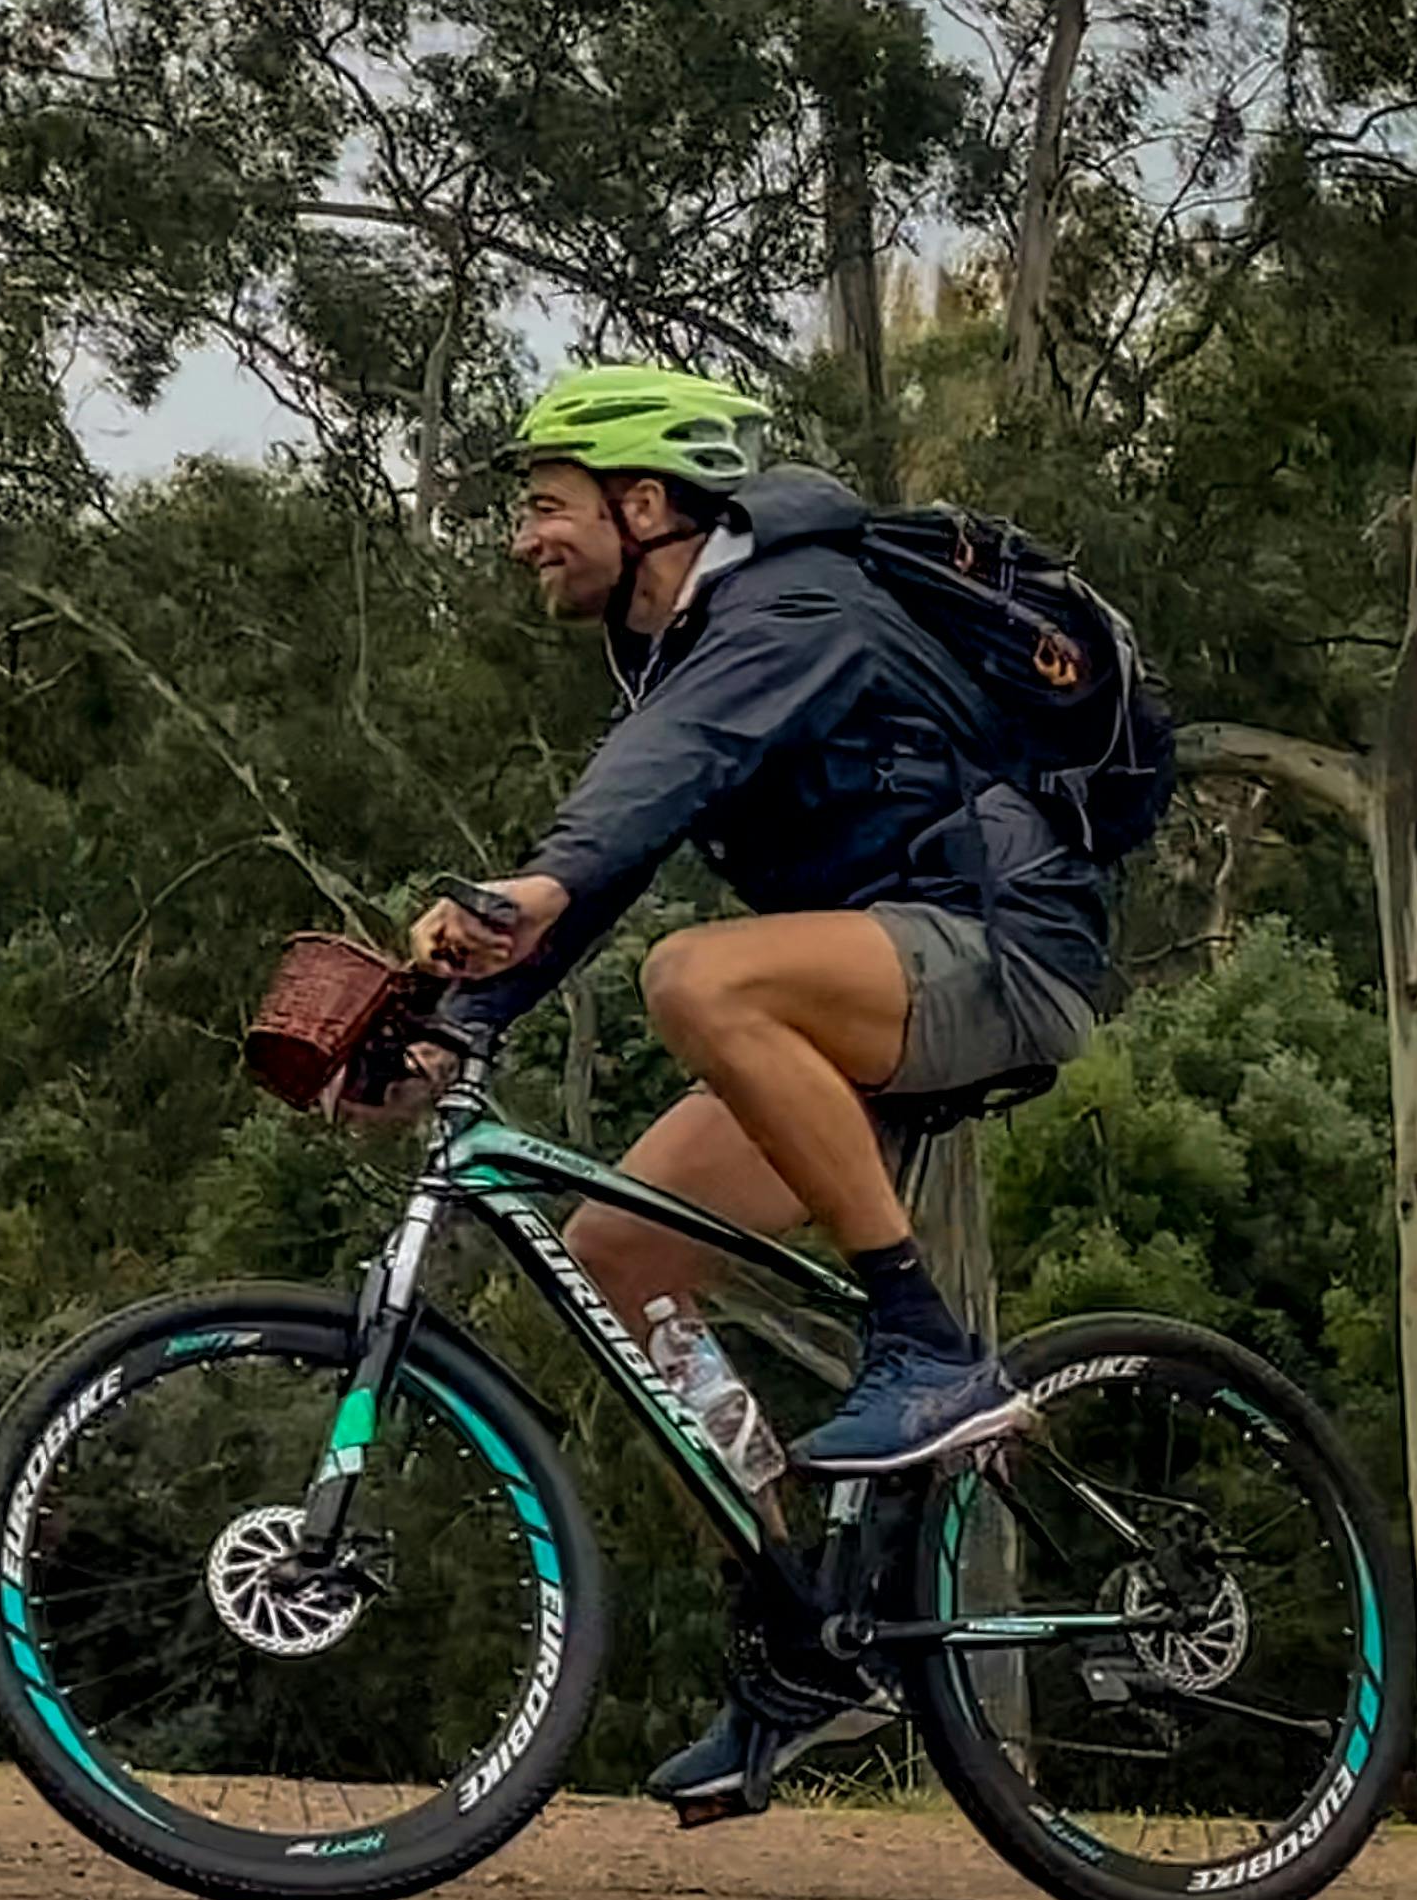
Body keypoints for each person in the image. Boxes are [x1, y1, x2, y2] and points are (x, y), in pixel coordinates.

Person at [401, 365, 1114, 1814]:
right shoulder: (676, 646)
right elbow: (616, 856)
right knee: (622, 1254)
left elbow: (653, 783)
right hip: (864, 991)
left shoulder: (788, 605)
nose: (520, 537)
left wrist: (524, 882)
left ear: (644, 504)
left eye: (543, 506)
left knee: (699, 978)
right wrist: (450, 1023)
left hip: (996, 950)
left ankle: (923, 1345)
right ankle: (802, 1632)